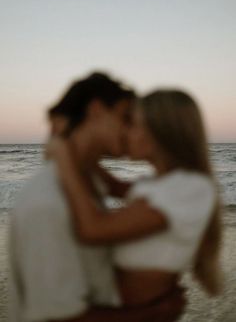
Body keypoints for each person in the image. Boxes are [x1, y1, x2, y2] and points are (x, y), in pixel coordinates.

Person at [9, 73, 185, 322]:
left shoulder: (88, 186)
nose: (132, 130)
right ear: (97, 110)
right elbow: (54, 318)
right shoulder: (48, 201)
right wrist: (154, 312)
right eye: (126, 117)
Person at [50, 88, 223, 310]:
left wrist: (62, 155)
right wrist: (84, 149)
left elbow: (92, 230)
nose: (124, 131)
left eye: (131, 124)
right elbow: (114, 186)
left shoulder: (189, 188)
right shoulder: (158, 183)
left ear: (159, 132)